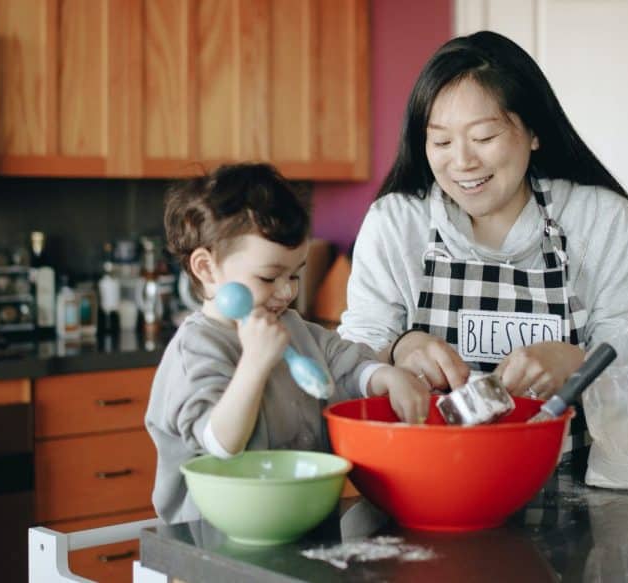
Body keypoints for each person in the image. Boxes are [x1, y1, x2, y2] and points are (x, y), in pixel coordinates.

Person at [338, 31, 628, 426]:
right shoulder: (396, 223)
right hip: (428, 474)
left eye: (483, 137)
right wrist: (399, 348)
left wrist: (576, 360)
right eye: (441, 142)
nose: (462, 162)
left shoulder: (602, 220)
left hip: (569, 476)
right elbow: (350, 359)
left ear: (534, 131)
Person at [146, 162, 430, 524]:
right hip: (215, 539)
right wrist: (254, 365)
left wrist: (384, 377)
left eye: (295, 275)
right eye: (268, 277)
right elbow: (219, 443)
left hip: (301, 519)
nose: (286, 292)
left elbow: (346, 362)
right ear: (206, 268)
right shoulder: (197, 350)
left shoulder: (294, 327)